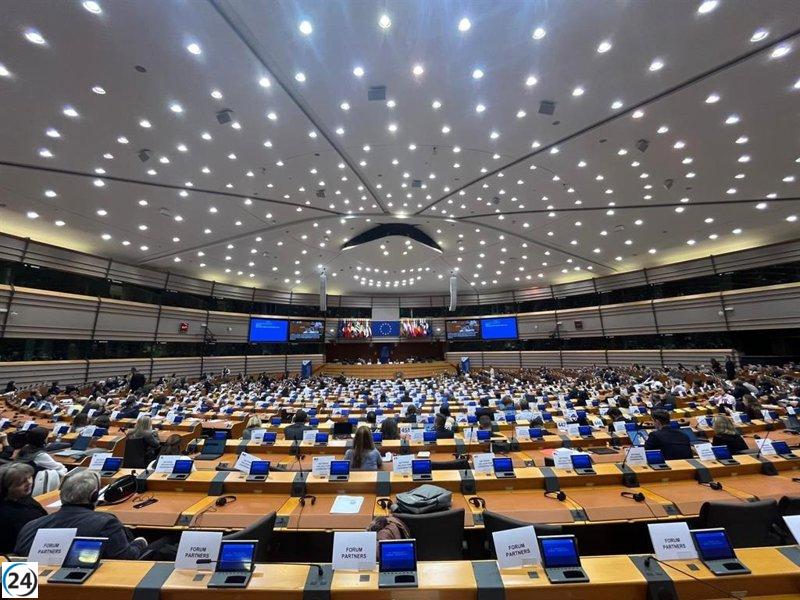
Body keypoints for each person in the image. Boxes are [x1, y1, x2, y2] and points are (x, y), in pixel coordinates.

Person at [14, 469, 148, 559]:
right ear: (94, 496)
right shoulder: (107, 523)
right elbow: (127, 557)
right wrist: (140, 542)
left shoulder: (30, 527)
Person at [0, 463, 47, 553]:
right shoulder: (8, 513)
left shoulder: (24, 498)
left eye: (29, 478)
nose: (29, 483)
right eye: (21, 483)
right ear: (7, 488)